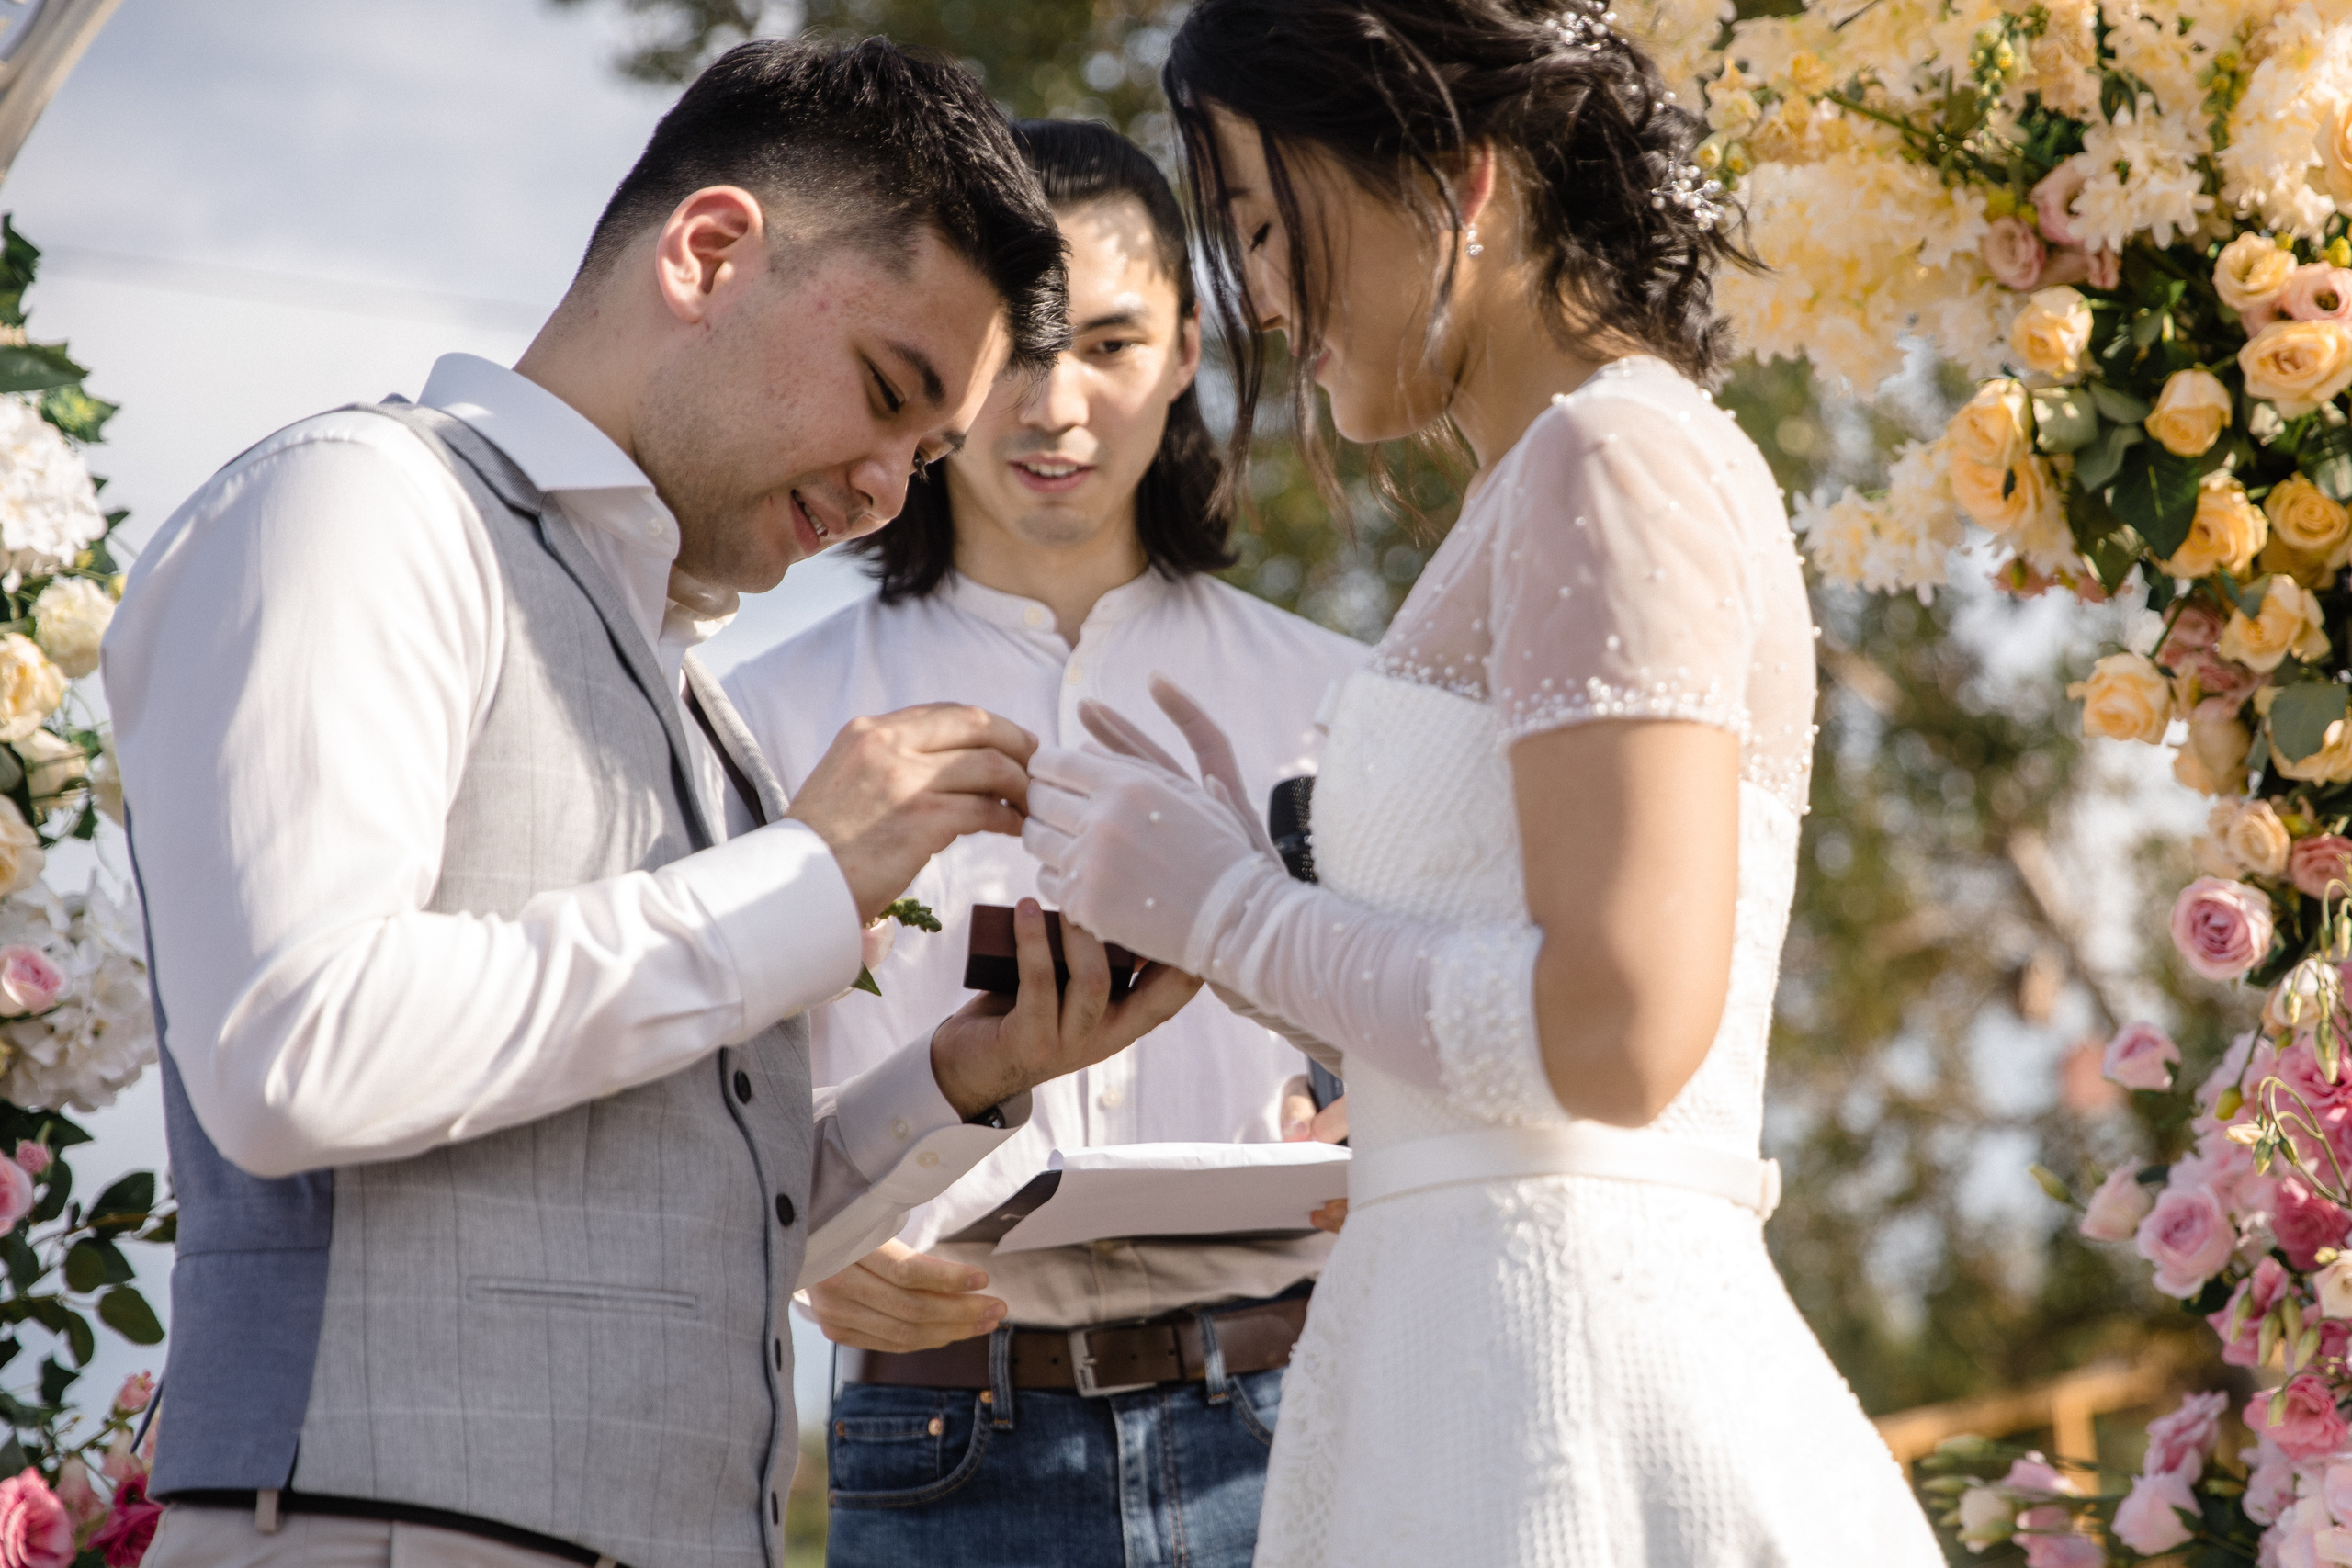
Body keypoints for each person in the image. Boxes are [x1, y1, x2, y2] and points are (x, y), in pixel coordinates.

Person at [109, 39, 1192, 1568]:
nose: (891, 491)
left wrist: (957, 1079)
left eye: (928, 453)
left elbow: (676, 1237)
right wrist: (804, 878)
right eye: (887, 396)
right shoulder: (363, 504)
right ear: (710, 252)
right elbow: (298, 1047)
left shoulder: (701, 701)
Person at [1020, 3, 1947, 1563]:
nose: (1253, 293)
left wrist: (1236, 909)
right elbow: (1506, 993)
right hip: (1462, 1349)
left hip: (1565, 1382)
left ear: (1453, 180)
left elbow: (1620, 1030)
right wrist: (1222, 917)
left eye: (1264, 221)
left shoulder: (1610, 461)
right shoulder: (1553, 479)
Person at [726, 119, 1365, 1568]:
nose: (1055, 405)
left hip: (1299, 1419)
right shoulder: (762, 717)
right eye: (1012, 351)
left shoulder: (1344, 702)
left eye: (1112, 343)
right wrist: (804, 1259)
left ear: (1193, 344)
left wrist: (1383, 1122)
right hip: (940, 1443)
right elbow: (708, 1101)